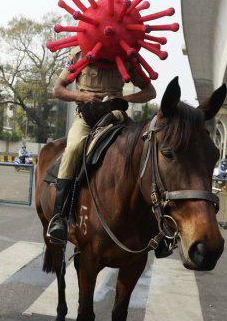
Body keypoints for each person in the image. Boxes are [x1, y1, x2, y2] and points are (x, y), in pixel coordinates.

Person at [47, 47, 156, 245]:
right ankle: (59, 218)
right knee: (72, 150)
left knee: (142, 150)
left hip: (117, 118)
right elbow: (58, 89)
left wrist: (125, 99)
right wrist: (81, 96)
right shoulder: (78, 55)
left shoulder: (127, 57)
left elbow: (150, 92)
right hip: (86, 119)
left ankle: (157, 225)